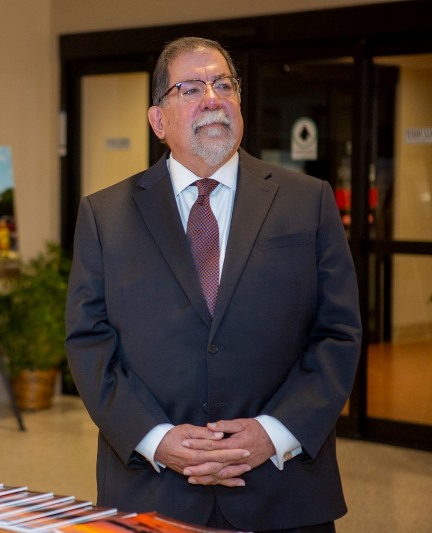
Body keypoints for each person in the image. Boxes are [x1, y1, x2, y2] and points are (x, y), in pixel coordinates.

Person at [65, 36, 362, 533]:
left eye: (223, 83)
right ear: (158, 120)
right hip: (152, 491)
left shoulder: (307, 201)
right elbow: (90, 342)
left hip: (284, 492)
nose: (212, 97)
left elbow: (339, 333)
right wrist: (156, 438)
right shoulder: (104, 214)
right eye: (190, 87)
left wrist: (274, 432)